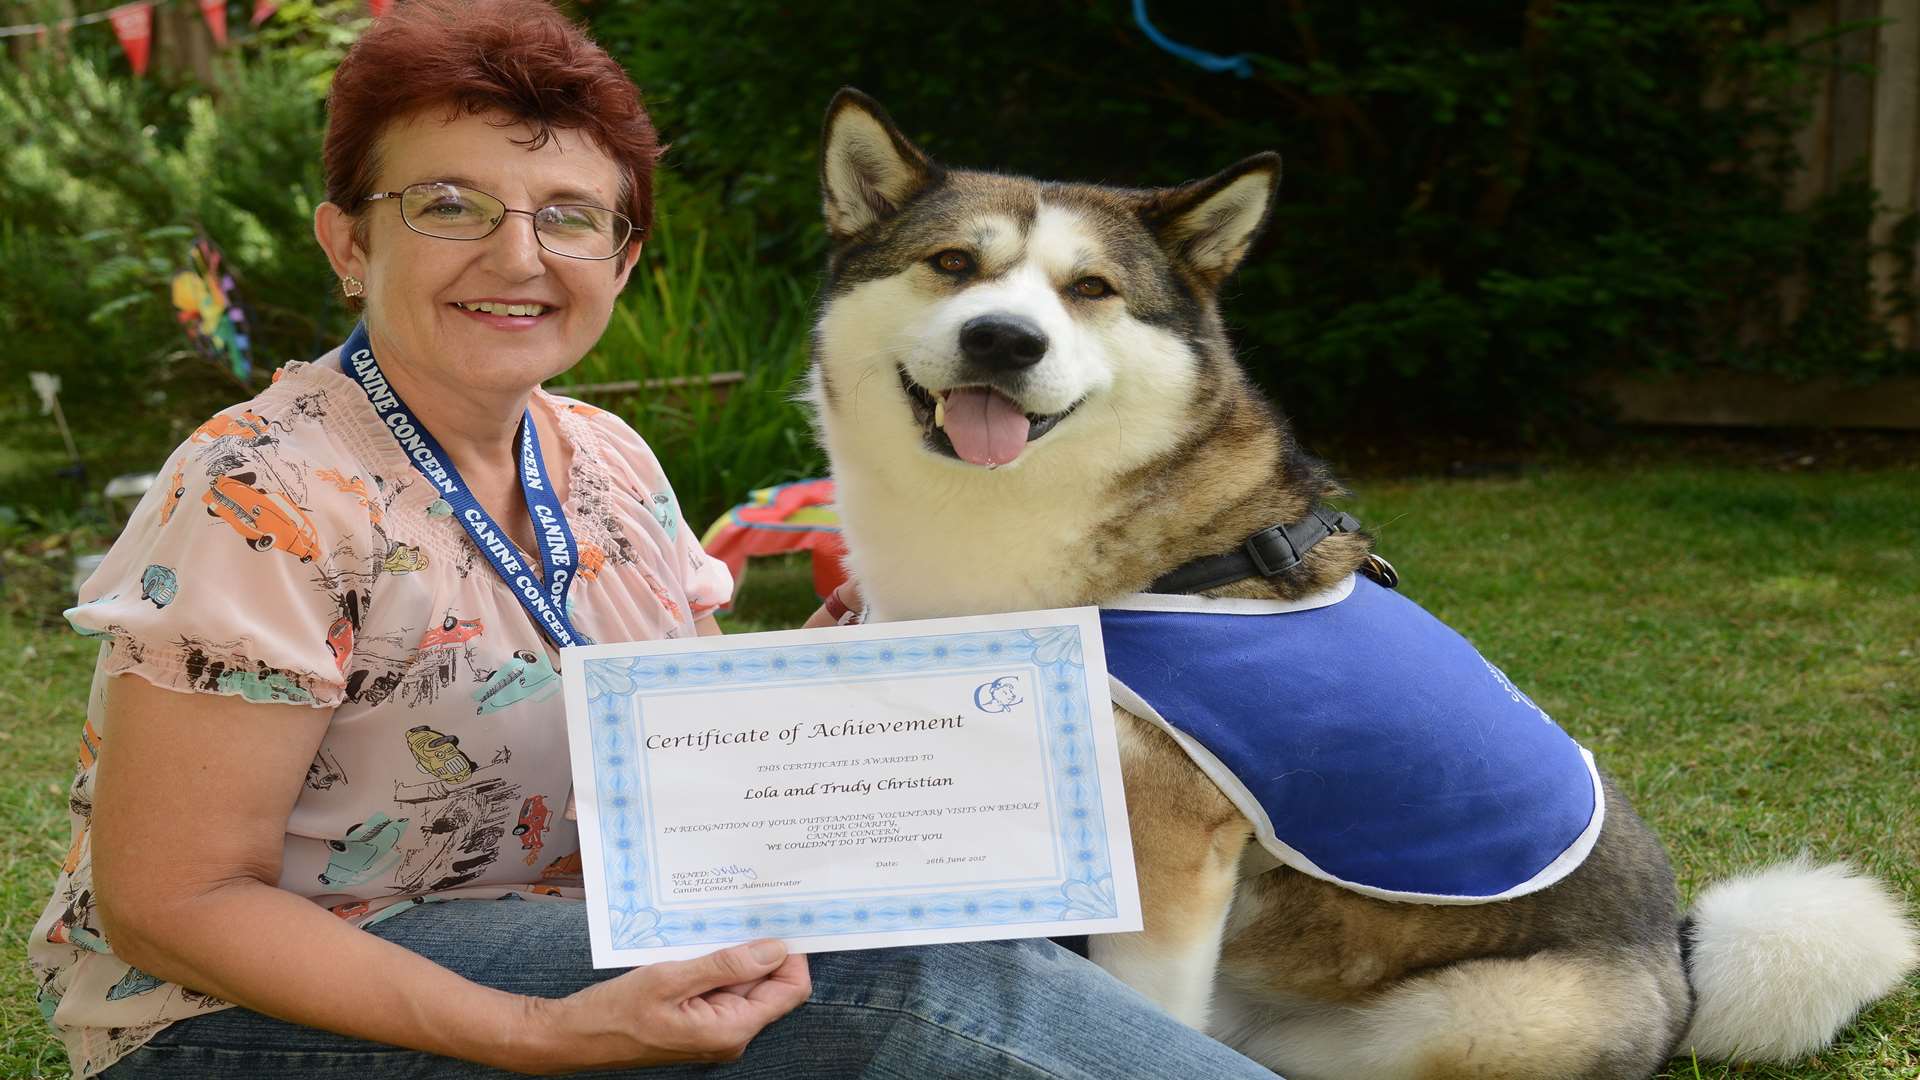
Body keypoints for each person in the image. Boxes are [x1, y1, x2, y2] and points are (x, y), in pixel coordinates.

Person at [29, 2, 1283, 1077]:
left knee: (955, 922)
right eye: (449, 205)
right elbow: (169, 905)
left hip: (588, 933)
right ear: (350, 242)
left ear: (621, 259)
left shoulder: (603, 456)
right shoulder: (263, 487)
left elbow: (684, 756)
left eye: (571, 216)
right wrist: (535, 1030)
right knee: (889, 981)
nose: (518, 255)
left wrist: (875, 705)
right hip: (231, 1020)